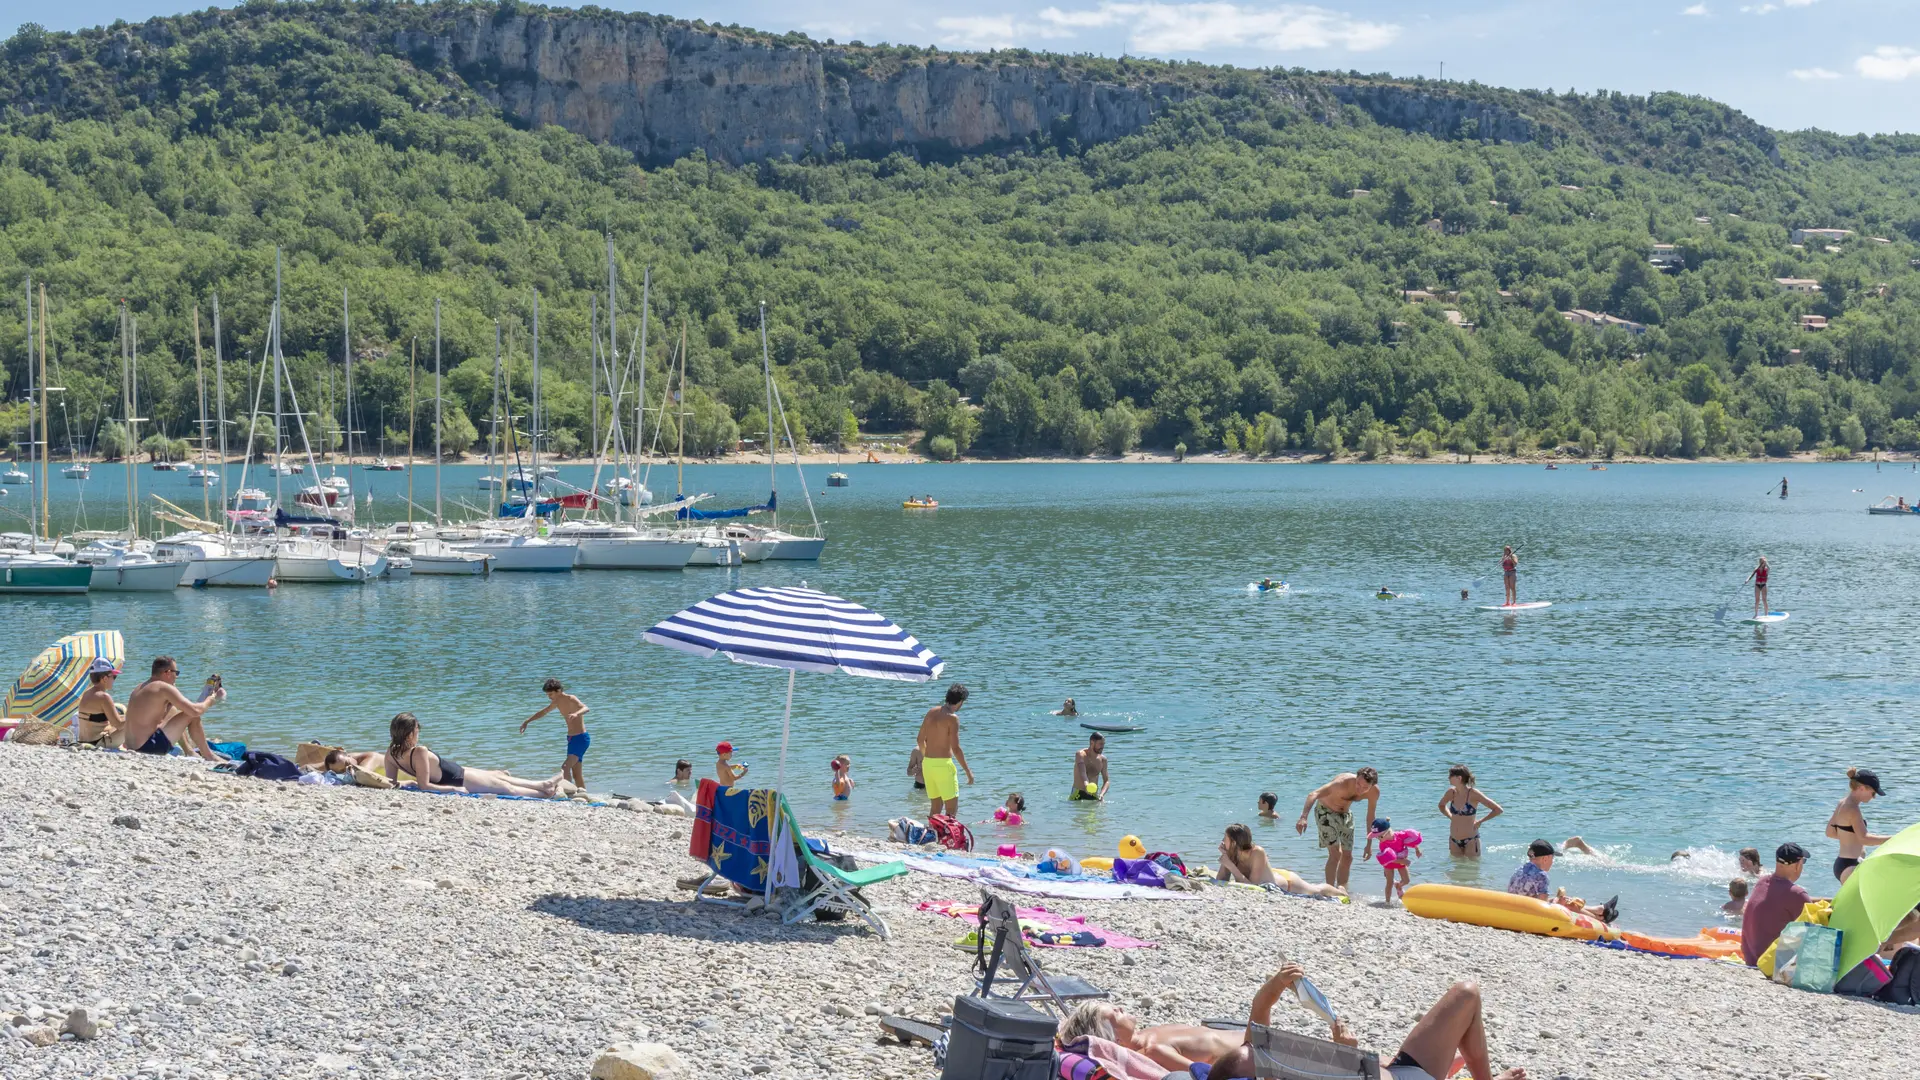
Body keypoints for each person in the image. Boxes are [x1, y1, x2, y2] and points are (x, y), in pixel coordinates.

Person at [1057, 963, 1527, 1080]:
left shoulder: (1155, 1035)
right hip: (1355, 1071)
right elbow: (1246, 1055)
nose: (1119, 1010)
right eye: (1109, 1015)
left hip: (1364, 1066)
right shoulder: (1153, 1050)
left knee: (1465, 995)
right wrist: (1265, 998)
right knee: (1467, 995)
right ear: (1105, 1035)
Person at [384, 712, 560, 798]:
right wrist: (453, 789)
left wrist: (407, 782)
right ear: (409, 734)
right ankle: (544, 793)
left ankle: (542, 784)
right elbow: (425, 785)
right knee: (506, 788)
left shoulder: (390, 754)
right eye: (417, 730)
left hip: (454, 771)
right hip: (457, 778)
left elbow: (391, 783)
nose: (418, 733)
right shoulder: (419, 751)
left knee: (499, 776)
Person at [120, 657, 226, 760]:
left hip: (132, 747)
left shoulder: (141, 687)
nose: (177, 677)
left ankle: (189, 751)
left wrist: (170, 702)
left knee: (175, 711)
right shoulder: (162, 687)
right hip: (147, 749)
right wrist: (210, 700)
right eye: (176, 673)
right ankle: (208, 755)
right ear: (168, 673)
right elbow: (195, 711)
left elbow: (158, 718)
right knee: (192, 715)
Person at [1295, 767, 1381, 887]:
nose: (1360, 789)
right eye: (1358, 784)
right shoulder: (1341, 783)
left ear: (1372, 785)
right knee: (1336, 854)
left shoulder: (1374, 792)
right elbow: (1313, 794)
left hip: (1345, 815)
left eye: (1365, 787)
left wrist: (1369, 844)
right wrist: (1303, 817)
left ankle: (1342, 889)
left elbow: (1370, 817)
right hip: (1325, 811)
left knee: (1348, 857)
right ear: (1356, 778)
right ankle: (1329, 890)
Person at [1215, 823, 1346, 898]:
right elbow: (1221, 880)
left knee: (1316, 890)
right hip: (1270, 873)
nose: (1222, 840)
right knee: (1315, 889)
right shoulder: (1232, 853)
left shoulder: (1257, 852)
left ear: (1233, 842)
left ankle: (1341, 892)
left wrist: (1231, 866)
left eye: (1225, 837)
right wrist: (1226, 860)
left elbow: (1252, 886)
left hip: (1288, 883)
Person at [1507, 839, 1618, 923]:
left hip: (1516, 907)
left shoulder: (1520, 869)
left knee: (1565, 900)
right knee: (1564, 903)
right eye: (1552, 858)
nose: (1552, 862)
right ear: (1545, 858)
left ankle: (1599, 910)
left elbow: (1525, 895)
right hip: (1529, 913)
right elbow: (1542, 906)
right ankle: (1600, 920)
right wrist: (1558, 900)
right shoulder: (1542, 876)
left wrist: (1558, 899)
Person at [1741, 843, 1813, 967]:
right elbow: (1814, 931)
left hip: (1751, 959)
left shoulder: (1762, 882)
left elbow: (1784, 899)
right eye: (1803, 862)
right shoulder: (1797, 894)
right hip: (1772, 965)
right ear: (1797, 865)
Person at [519, 678, 590, 789]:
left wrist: (576, 713)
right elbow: (544, 712)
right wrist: (527, 721)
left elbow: (585, 708)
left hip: (580, 738)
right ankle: (583, 795)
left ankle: (569, 792)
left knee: (565, 767)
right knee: (577, 774)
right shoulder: (556, 702)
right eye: (548, 695)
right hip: (571, 739)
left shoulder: (571, 698)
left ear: (559, 690)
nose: (549, 697)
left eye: (551, 694)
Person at [915, 683, 973, 816]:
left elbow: (919, 740)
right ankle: (948, 837)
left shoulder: (931, 712)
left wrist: (927, 757)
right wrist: (967, 771)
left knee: (935, 808)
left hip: (928, 764)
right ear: (960, 702)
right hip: (944, 765)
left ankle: (932, 834)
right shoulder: (952, 718)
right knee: (951, 810)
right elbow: (956, 748)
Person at [1827, 767, 1891, 882]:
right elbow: (1864, 839)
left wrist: (1851, 837)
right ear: (1861, 788)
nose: (1873, 797)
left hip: (1842, 863)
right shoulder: (1853, 809)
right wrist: (1892, 839)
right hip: (1850, 866)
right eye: (1873, 793)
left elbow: (1830, 832)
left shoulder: (1842, 803)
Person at [1438, 764, 1503, 857]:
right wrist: (1450, 816)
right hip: (1454, 840)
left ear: (1459, 778)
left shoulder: (1473, 793)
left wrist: (1480, 821)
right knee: (1456, 869)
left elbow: (1498, 810)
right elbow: (1441, 805)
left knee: (1472, 869)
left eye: (1450, 775)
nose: (1448, 778)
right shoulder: (1451, 792)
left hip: (1471, 840)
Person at [72, 659, 125, 747]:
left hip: (85, 740)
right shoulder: (104, 697)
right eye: (114, 677)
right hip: (99, 742)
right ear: (104, 678)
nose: (114, 680)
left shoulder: (87, 693)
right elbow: (118, 724)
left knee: (124, 717)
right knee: (135, 723)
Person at [1370, 818, 1423, 905]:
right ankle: (1387, 902)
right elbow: (1388, 858)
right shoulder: (1382, 844)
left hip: (1401, 861)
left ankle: (1399, 886)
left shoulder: (1400, 836)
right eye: (1376, 837)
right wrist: (1403, 861)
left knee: (1406, 880)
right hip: (1390, 863)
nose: (1378, 839)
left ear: (1388, 832)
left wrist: (1417, 849)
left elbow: (1410, 842)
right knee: (1389, 882)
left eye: (1380, 836)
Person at [1071, 731, 1109, 802]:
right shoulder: (1080, 754)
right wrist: (1086, 784)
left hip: (1093, 794)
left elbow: (1106, 781)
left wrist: (1101, 794)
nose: (1102, 747)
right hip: (1078, 793)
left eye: (1103, 744)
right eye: (1100, 744)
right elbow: (1083, 772)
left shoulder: (1103, 760)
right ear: (1092, 743)